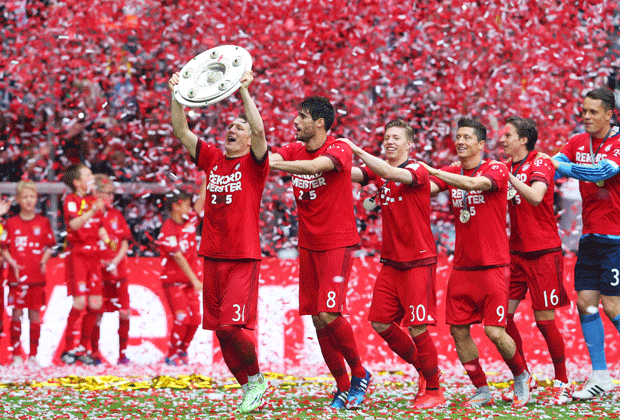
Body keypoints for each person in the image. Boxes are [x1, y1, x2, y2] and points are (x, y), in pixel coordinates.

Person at [169, 70, 269, 414]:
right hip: (211, 256)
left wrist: (243, 90)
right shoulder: (212, 158)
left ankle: (256, 378)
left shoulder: (255, 163)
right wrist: (177, 96)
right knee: (220, 332)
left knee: (231, 326)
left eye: (238, 128)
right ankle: (248, 388)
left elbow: (259, 130)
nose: (232, 130)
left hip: (242, 257)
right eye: (230, 126)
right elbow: (181, 130)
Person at [420, 117, 530, 407]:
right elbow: (426, 189)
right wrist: (406, 176)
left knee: (495, 331)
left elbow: (472, 183)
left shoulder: (496, 168)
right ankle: (481, 388)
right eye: (458, 137)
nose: (460, 142)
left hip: (493, 265)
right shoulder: (452, 171)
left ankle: (521, 376)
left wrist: (430, 169)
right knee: (458, 330)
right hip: (462, 267)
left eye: (467, 137)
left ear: (481, 144)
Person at [270, 96, 371, 410]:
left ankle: (360, 373)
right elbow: (271, 155)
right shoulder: (294, 148)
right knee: (317, 319)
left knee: (329, 313)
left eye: (302, 116)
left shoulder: (338, 147)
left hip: (336, 242)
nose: (295, 122)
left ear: (319, 123)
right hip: (308, 245)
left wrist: (272, 163)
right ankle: (341, 386)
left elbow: (314, 167)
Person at [341, 119, 445, 409]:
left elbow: (388, 171)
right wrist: (327, 159)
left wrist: (354, 148)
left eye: (396, 137)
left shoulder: (416, 170)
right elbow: (349, 173)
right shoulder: (379, 175)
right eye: (387, 136)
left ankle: (435, 390)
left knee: (418, 328)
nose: (390, 141)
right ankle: (425, 370)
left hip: (418, 260)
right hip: (392, 262)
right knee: (380, 322)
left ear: (409, 144)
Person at [546, 88, 620, 399]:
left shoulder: (618, 142)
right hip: (590, 236)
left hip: (617, 237)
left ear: (609, 114)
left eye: (592, 112)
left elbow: (603, 171)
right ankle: (600, 376)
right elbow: (552, 164)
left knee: (612, 305)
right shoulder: (578, 142)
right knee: (586, 304)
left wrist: (558, 167)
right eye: (583, 111)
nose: (585, 117)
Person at [499, 117, 571, 404]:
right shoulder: (505, 168)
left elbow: (537, 197)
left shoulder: (540, 163)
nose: (502, 140)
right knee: (501, 319)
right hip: (515, 254)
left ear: (524, 140)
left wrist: (509, 178)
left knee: (544, 321)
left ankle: (562, 380)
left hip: (543, 252)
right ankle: (523, 377)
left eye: (508, 135)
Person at [1, 182, 54, 366]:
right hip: (16, 279)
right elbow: (4, 246)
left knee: (35, 316)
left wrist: (44, 260)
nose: (29, 200)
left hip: (36, 279)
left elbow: (50, 245)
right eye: (25, 197)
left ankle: (33, 355)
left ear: (37, 198)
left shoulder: (43, 222)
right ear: (18, 200)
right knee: (16, 315)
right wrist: (11, 261)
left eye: (32, 196)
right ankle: (16, 355)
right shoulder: (11, 223)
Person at [60, 163, 107, 365]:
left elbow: (101, 227)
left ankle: (84, 348)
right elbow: (73, 225)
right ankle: (68, 349)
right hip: (78, 254)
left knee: (96, 305)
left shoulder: (93, 200)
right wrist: (92, 211)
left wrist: (108, 240)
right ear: (77, 182)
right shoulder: (71, 200)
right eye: (88, 175)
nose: (92, 179)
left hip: (94, 255)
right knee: (79, 302)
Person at [157, 188, 203, 366]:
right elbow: (178, 256)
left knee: (196, 320)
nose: (191, 208)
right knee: (182, 318)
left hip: (190, 282)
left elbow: (201, 202)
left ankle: (182, 351)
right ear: (176, 206)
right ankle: (171, 354)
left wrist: (209, 171)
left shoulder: (189, 221)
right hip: (174, 281)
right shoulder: (167, 228)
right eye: (186, 205)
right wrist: (194, 279)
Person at [91, 174, 133, 365]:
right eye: (105, 194)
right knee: (96, 313)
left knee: (124, 312)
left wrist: (115, 262)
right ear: (96, 194)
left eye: (111, 194)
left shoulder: (117, 215)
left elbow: (124, 243)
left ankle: (122, 355)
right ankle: (93, 354)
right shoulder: (90, 215)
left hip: (118, 272)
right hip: (98, 274)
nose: (110, 198)